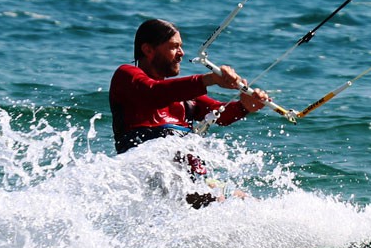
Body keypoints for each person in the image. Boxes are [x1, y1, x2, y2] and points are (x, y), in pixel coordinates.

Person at [110, 18, 270, 154]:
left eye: (181, 46)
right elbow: (154, 94)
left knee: (236, 192)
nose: (182, 53)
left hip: (190, 180)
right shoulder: (126, 75)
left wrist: (244, 106)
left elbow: (219, 114)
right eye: (174, 47)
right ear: (148, 49)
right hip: (148, 175)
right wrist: (209, 79)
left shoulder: (182, 96)